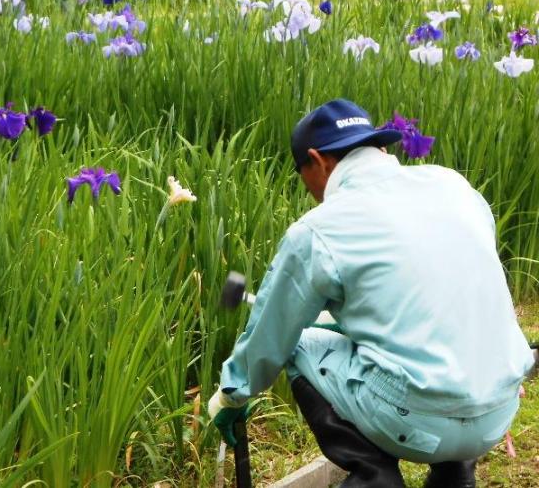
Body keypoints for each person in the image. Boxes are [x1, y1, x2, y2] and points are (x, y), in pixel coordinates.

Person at [208, 99, 537, 488]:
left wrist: (232, 395)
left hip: (417, 420)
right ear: (378, 147)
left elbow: (271, 336)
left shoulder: (319, 230)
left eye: (303, 175)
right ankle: (456, 477)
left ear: (318, 161)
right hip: (497, 410)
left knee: (298, 344)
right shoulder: (454, 186)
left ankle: (374, 478)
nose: (310, 190)